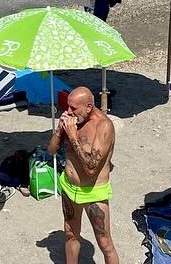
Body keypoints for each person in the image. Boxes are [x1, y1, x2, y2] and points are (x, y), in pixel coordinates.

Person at [47, 87, 119, 264]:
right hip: (69, 187)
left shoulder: (104, 126)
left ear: (88, 107)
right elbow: (51, 150)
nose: (69, 112)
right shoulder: (73, 121)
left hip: (93, 191)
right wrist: (59, 130)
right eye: (68, 107)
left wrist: (72, 136)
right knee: (70, 233)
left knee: (104, 242)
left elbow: (91, 169)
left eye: (73, 108)